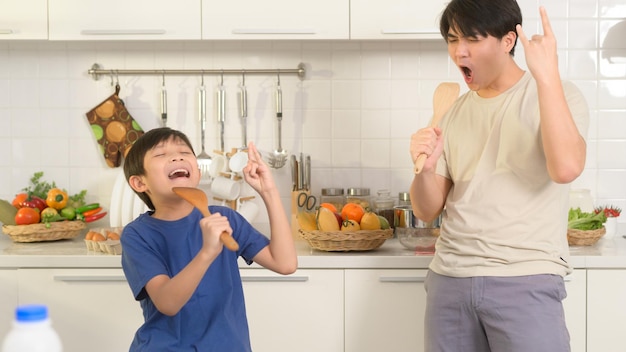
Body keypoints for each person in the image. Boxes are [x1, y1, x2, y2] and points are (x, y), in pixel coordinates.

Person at [409, 1, 589, 351]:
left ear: (508, 41)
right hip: (450, 280)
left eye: (472, 39)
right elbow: (426, 209)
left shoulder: (558, 94)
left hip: (525, 278)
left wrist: (546, 74)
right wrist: (425, 170)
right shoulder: (452, 112)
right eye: (452, 39)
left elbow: (566, 168)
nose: (459, 51)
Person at [120, 127, 297, 351]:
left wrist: (269, 191)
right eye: (161, 154)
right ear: (139, 183)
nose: (177, 156)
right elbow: (167, 303)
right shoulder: (138, 235)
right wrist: (207, 253)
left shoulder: (225, 218)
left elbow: (285, 263)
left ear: (197, 170)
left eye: (185, 152)